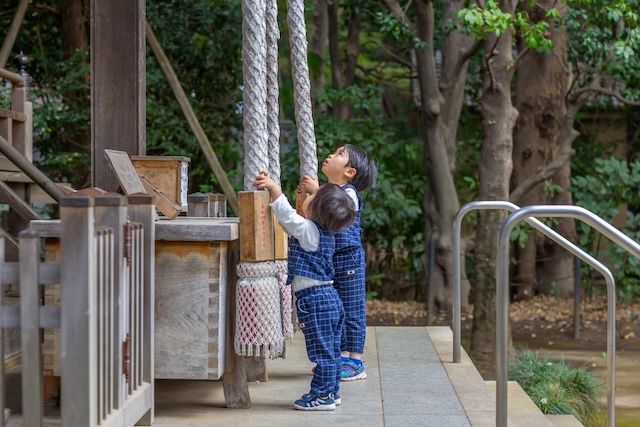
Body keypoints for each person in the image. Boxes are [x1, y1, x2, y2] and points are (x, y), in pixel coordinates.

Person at [254, 171, 356, 411]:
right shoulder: (327, 233)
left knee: (322, 353)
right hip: (329, 299)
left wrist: (273, 188)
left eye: (314, 196)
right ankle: (332, 391)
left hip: (316, 301)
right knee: (331, 351)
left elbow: (288, 216)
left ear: (316, 211)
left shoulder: (310, 230)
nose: (309, 196)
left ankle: (321, 396)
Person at [298, 144, 378, 382]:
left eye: (339, 154)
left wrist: (318, 191)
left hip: (349, 258)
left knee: (352, 308)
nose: (331, 155)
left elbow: (333, 205)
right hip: (333, 260)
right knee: (337, 308)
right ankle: (340, 357)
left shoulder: (349, 193)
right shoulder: (333, 190)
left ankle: (355, 360)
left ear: (349, 172)